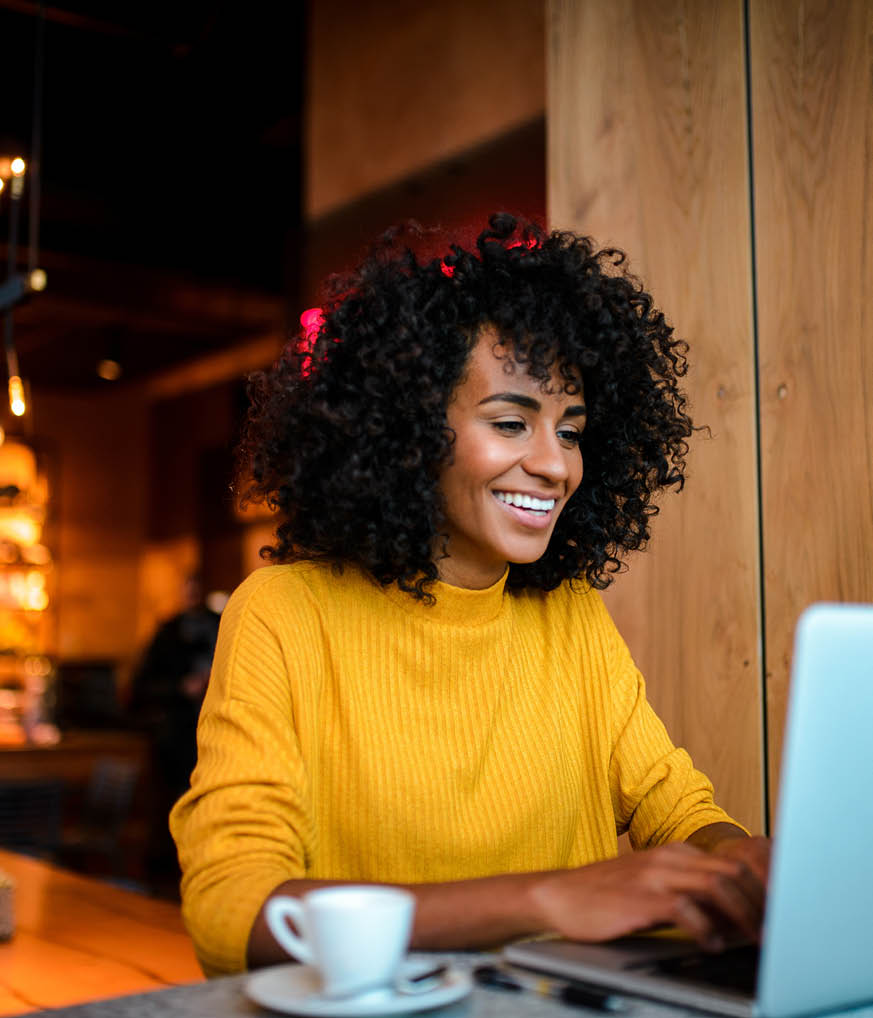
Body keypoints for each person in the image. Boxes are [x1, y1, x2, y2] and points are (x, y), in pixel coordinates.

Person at [170, 213, 769, 977]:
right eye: (512, 422)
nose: (555, 466)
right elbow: (233, 912)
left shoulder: (569, 612)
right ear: (412, 431)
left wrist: (742, 866)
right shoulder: (284, 613)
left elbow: (674, 807)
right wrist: (545, 900)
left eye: (571, 431)